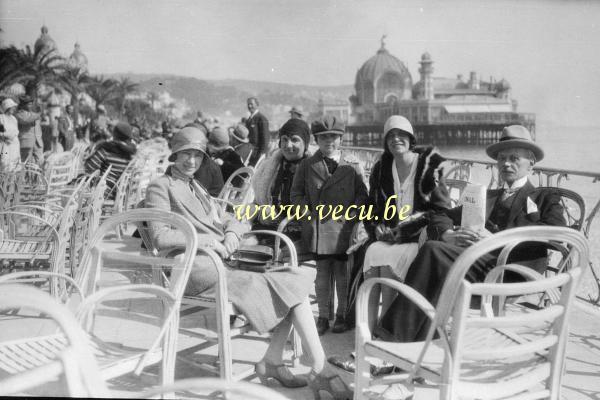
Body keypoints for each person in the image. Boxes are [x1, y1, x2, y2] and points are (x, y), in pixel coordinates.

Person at [145, 126, 352, 398]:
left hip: (220, 263)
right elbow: (160, 236)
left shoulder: (196, 186)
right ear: (175, 155)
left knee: (290, 282)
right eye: (185, 154)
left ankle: (295, 363)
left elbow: (230, 217)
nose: (191, 161)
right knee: (283, 285)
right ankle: (299, 366)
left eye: (197, 155)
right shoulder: (161, 186)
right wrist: (209, 242)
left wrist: (231, 233)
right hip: (192, 267)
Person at [375, 124, 566, 344]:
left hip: (513, 270)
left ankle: (390, 343)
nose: (506, 164)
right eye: (502, 159)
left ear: (531, 163)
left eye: (514, 159)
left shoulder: (544, 196)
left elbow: (558, 235)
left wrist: (497, 239)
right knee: (435, 258)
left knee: (433, 253)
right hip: (479, 266)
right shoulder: (488, 196)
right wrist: (445, 233)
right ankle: (416, 344)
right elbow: (440, 214)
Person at [291, 115, 369, 335]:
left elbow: (362, 194)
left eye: (334, 137)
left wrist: (354, 213)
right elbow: (296, 193)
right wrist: (306, 211)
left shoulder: (353, 164)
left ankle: (343, 315)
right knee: (322, 275)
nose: (329, 142)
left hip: (344, 228)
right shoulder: (307, 165)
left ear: (341, 138)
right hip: (319, 228)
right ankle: (324, 316)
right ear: (316, 139)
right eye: (324, 137)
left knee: (343, 274)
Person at [252, 118, 311, 241]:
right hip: (268, 226)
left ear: (305, 144)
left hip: (298, 234)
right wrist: (263, 212)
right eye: (284, 139)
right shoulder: (270, 168)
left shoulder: (314, 171)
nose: (288, 145)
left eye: (295, 140)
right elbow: (257, 203)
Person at [84, 121, 137, 198]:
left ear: (115, 134)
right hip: (123, 194)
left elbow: (89, 167)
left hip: (104, 193)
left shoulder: (107, 149)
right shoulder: (133, 154)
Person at [15, 95, 43, 164]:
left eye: (31, 104)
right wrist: (38, 114)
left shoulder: (34, 114)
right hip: (26, 141)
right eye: (29, 104)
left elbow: (38, 126)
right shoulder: (19, 114)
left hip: (38, 142)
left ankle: (36, 175)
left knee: (40, 161)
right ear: (23, 105)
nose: (30, 106)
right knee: (25, 162)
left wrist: (40, 137)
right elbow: (26, 120)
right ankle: (24, 175)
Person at [245, 97, 270, 166]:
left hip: (257, 154)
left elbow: (265, 138)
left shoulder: (261, 118)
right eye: (248, 104)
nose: (249, 106)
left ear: (257, 105)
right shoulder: (249, 120)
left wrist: (262, 154)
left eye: (251, 104)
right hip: (249, 153)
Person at [0, 98, 21, 171]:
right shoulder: (1, 118)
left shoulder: (14, 119)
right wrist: (5, 137)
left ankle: (12, 181)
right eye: (12, 107)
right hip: (5, 144)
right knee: (5, 163)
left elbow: (16, 131)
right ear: (7, 107)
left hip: (14, 144)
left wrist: (13, 136)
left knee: (14, 164)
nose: (14, 109)